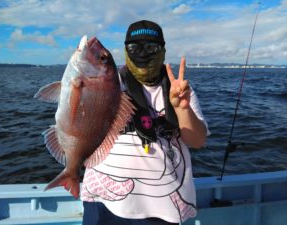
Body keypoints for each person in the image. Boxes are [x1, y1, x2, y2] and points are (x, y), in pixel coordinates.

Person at [81, 20, 209, 225]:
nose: (142, 53)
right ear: (125, 50)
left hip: (162, 208)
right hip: (101, 200)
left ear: (163, 51)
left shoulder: (180, 89)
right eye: (134, 47)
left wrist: (182, 108)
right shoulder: (107, 81)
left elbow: (197, 141)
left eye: (151, 47)